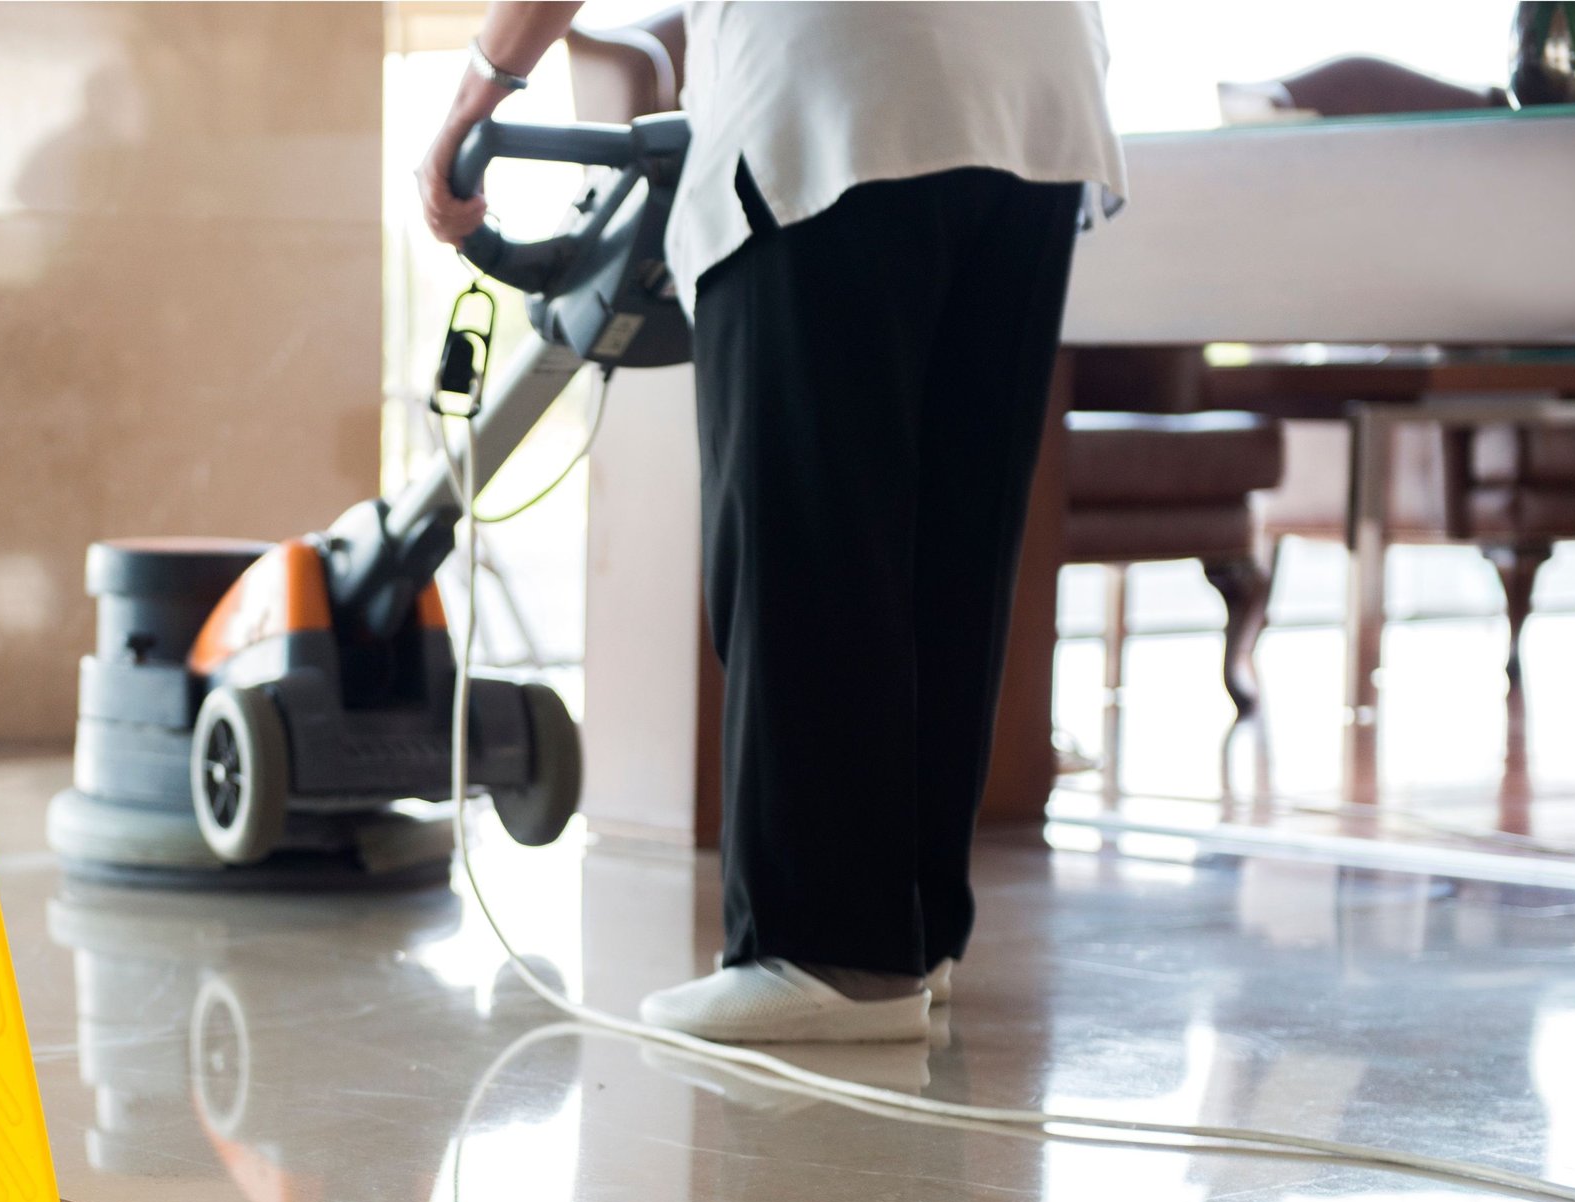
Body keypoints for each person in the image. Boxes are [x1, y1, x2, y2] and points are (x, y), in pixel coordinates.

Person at [419, 2, 1124, 1042]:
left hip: (836, 77)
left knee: (812, 526)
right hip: (1038, 92)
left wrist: (480, 86)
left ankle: (822, 950)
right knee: (951, 537)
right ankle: (910, 935)